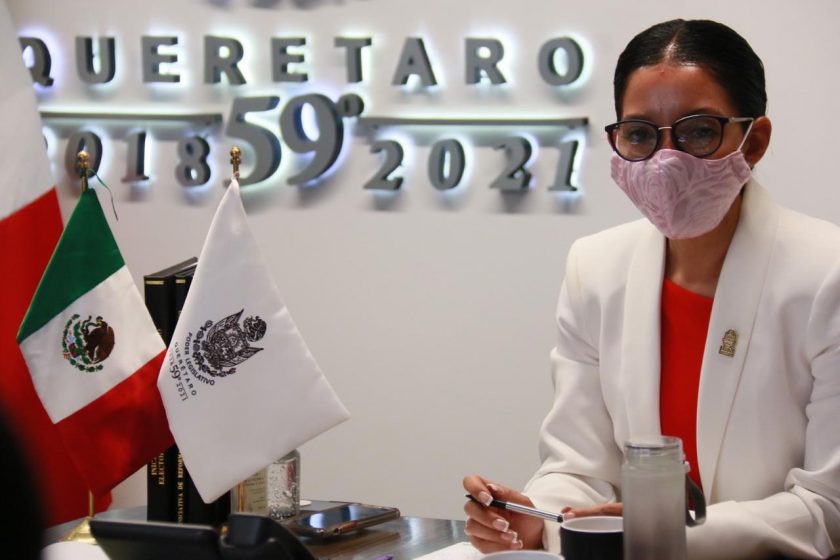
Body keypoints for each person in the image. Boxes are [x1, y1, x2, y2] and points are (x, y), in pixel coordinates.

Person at [464, 18, 840, 560]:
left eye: (698, 131)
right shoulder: (596, 267)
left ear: (754, 141)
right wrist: (540, 520)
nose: (667, 160)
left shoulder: (826, 274)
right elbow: (578, 467)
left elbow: (827, 507)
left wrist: (663, 534)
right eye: (640, 134)